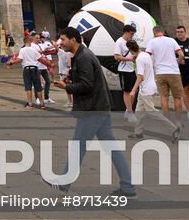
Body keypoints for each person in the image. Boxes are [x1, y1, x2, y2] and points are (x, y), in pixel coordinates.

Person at [45, 27, 135, 197]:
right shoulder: (82, 55)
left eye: (63, 39)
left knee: (78, 147)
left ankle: (64, 183)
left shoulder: (84, 57)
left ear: (74, 39)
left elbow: (87, 84)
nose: (60, 43)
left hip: (92, 109)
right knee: (112, 148)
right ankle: (128, 186)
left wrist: (67, 86)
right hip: (99, 107)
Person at [127, 40, 178, 140]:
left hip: (146, 88)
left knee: (152, 111)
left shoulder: (139, 60)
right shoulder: (145, 54)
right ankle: (138, 132)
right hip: (147, 87)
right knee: (139, 112)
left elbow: (140, 76)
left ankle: (174, 129)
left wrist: (133, 90)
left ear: (130, 50)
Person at [144, 25, 185, 130]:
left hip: (160, 72)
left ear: (154, 33)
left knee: (164, 97)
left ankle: (167, 122)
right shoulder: (171, 40)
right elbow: (181, 54)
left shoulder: (152, 42)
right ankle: (178, 122)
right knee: (177, 97)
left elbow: (147, 55)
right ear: (163, 31)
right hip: (173, 72)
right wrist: (178, 61)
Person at [113, 24, 138, 119]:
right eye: (131, 33)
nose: (132, 35)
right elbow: (116, 56)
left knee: (133, 91)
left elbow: (135, 52)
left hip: (132, 69)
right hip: (124, 70)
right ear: (126, 32)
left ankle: (128, 110)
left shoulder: (132, 42)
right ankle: (130, 112)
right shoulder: (119, 42)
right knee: (127, 91)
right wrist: (130, 59)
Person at [18, 36, 46, 108]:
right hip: (35, 68)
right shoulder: (34, 50)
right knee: (38, 87)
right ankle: (42, 103)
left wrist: (11, 62)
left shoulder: (22, 50)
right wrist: (49, 64)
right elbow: (40, 59)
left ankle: (30, 104)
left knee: (28, 87)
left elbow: (19, 59)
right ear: (30, 41)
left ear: (24, 42)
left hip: (26, 69)